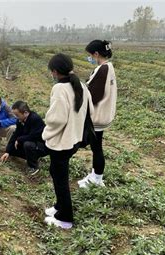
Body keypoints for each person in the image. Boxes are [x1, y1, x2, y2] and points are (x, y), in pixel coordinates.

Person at [42, 53, 93, 229]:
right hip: (74, 140)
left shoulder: (59, 89)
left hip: (61, 142)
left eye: (51, 71)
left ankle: (65, 218)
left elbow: (56, 119)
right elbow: (89, 110)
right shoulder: (81, 85)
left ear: (55, 72)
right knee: (56, 173)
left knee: (60, 179)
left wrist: (46, 133)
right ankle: (59, 207)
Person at [78, 40, 117, 188]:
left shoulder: (103, 69)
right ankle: (95, 175)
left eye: (90, 55)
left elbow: (94, 94)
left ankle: (97, 178)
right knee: (96, 147)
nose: (90, 58)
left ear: (96, 54)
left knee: (96, 147)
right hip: (103, 114)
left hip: (98, 116)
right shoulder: (108, 67)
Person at [0, 101, 47, 176]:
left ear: (25, 113)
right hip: (31, 143)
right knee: (13, 150)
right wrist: (8, 151)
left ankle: (33, 167)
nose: (16, 117)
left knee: (27, 144)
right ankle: (32, 157)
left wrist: (19, 139)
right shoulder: (20, 121)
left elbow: (34, 136)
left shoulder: (35, 119)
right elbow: (15, 135)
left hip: (41, 146)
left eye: (17, 115)